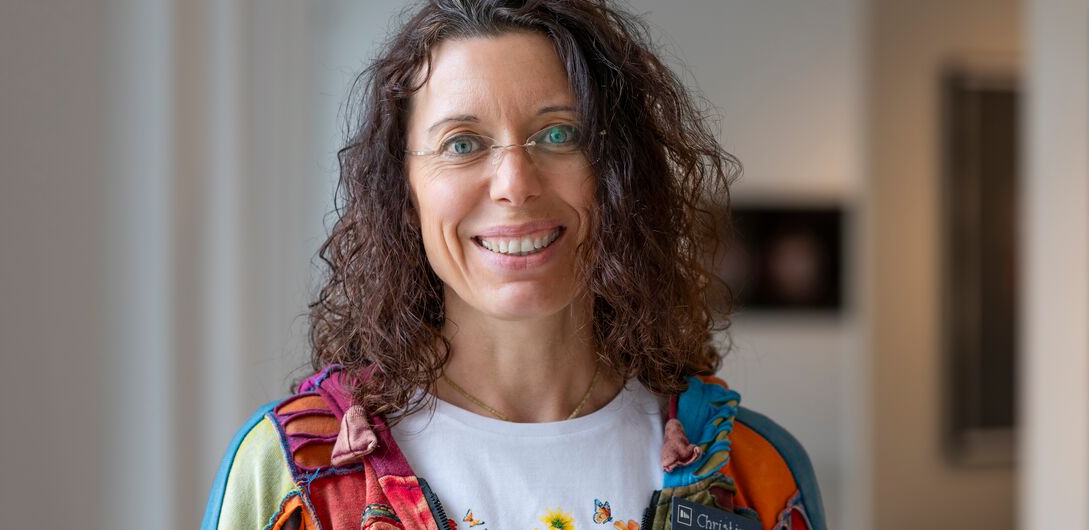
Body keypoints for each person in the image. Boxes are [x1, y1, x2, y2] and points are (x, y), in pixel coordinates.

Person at [202, 1, 825, 529]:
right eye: (462, 143)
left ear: (619, 173)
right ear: (404, 188)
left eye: (559, 134)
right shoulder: (293, 479)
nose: (514, 183)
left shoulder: (755, 473)